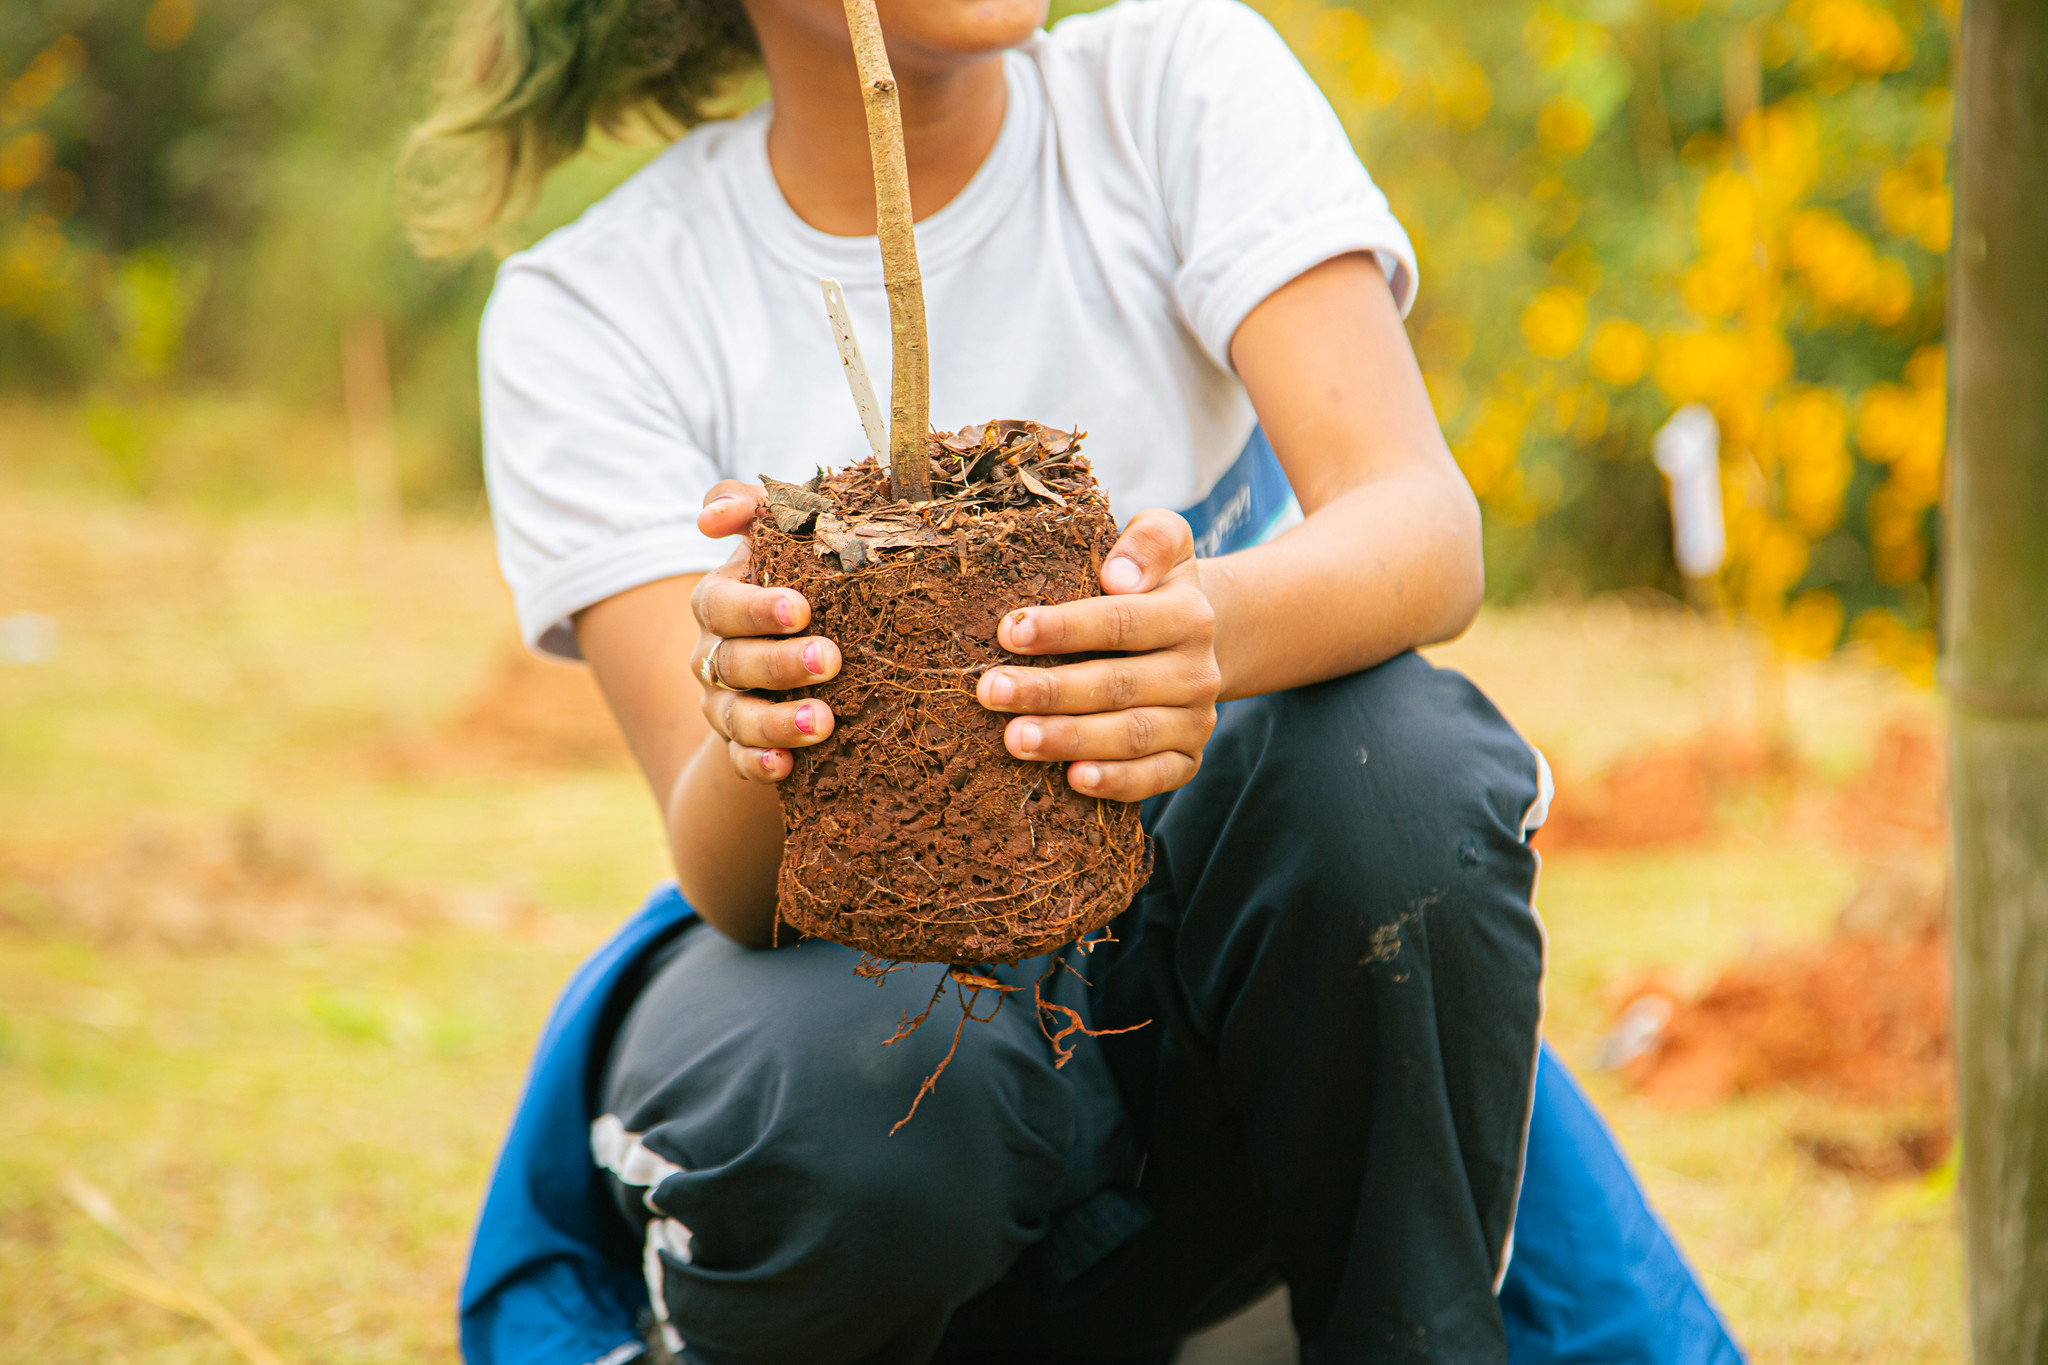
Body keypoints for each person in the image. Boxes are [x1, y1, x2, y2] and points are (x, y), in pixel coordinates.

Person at [412, 0, 1747, 1360]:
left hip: (1210, 1058)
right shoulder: (596, 307)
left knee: (1387, 763)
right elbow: (727, 883)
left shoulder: (1175, 89)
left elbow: (1420, 523)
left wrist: (1203, 628)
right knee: (831, 1079)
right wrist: (775, 698)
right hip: (892, 1106)